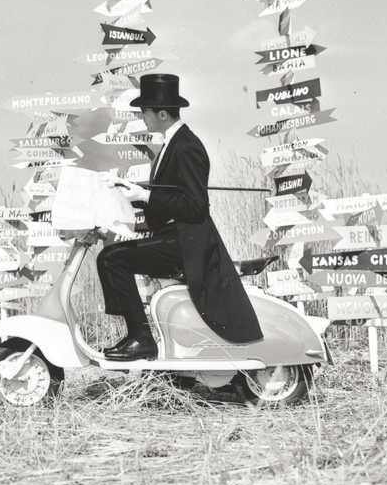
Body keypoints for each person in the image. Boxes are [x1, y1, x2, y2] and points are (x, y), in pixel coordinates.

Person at [98, 74, 263, 360]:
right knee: (112, 256)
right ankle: (138, 335)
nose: (142, 118)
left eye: (144, 112)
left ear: (161, 113)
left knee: (112, 259)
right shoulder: (173, 143)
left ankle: (141, 338)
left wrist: (146, 196)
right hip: (177, 239)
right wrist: (135, 194)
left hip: (187, 246)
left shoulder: (186, 146)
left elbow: (195, 206)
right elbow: (174, 197)